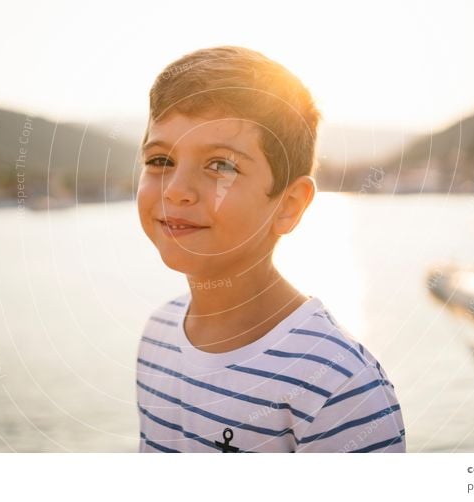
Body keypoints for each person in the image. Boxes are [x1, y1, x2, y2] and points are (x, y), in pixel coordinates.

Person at [135, 46, 405, 453]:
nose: (175, 191)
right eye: (160, 159)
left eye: (221, 165)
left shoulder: (337, 385)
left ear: (288, 205)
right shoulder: (157, 337)